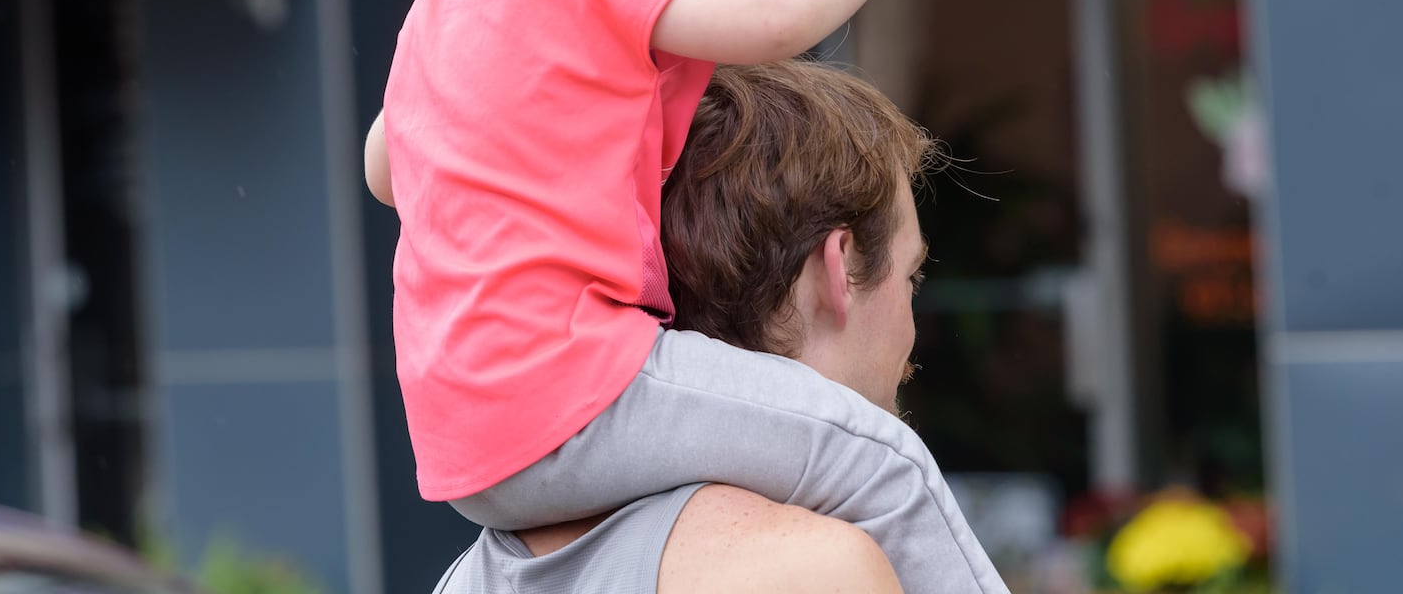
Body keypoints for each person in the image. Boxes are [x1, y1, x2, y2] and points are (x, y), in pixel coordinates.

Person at [374, 0, 972, 593]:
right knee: (885, 461)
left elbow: (388, 167)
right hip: (578, 382)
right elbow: (773, 17)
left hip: (464, 442)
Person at [429, 60, 1003, 593]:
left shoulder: (471, 577)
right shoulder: (816, 569)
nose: (913, 331)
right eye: (911, 277)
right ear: (840, 268)